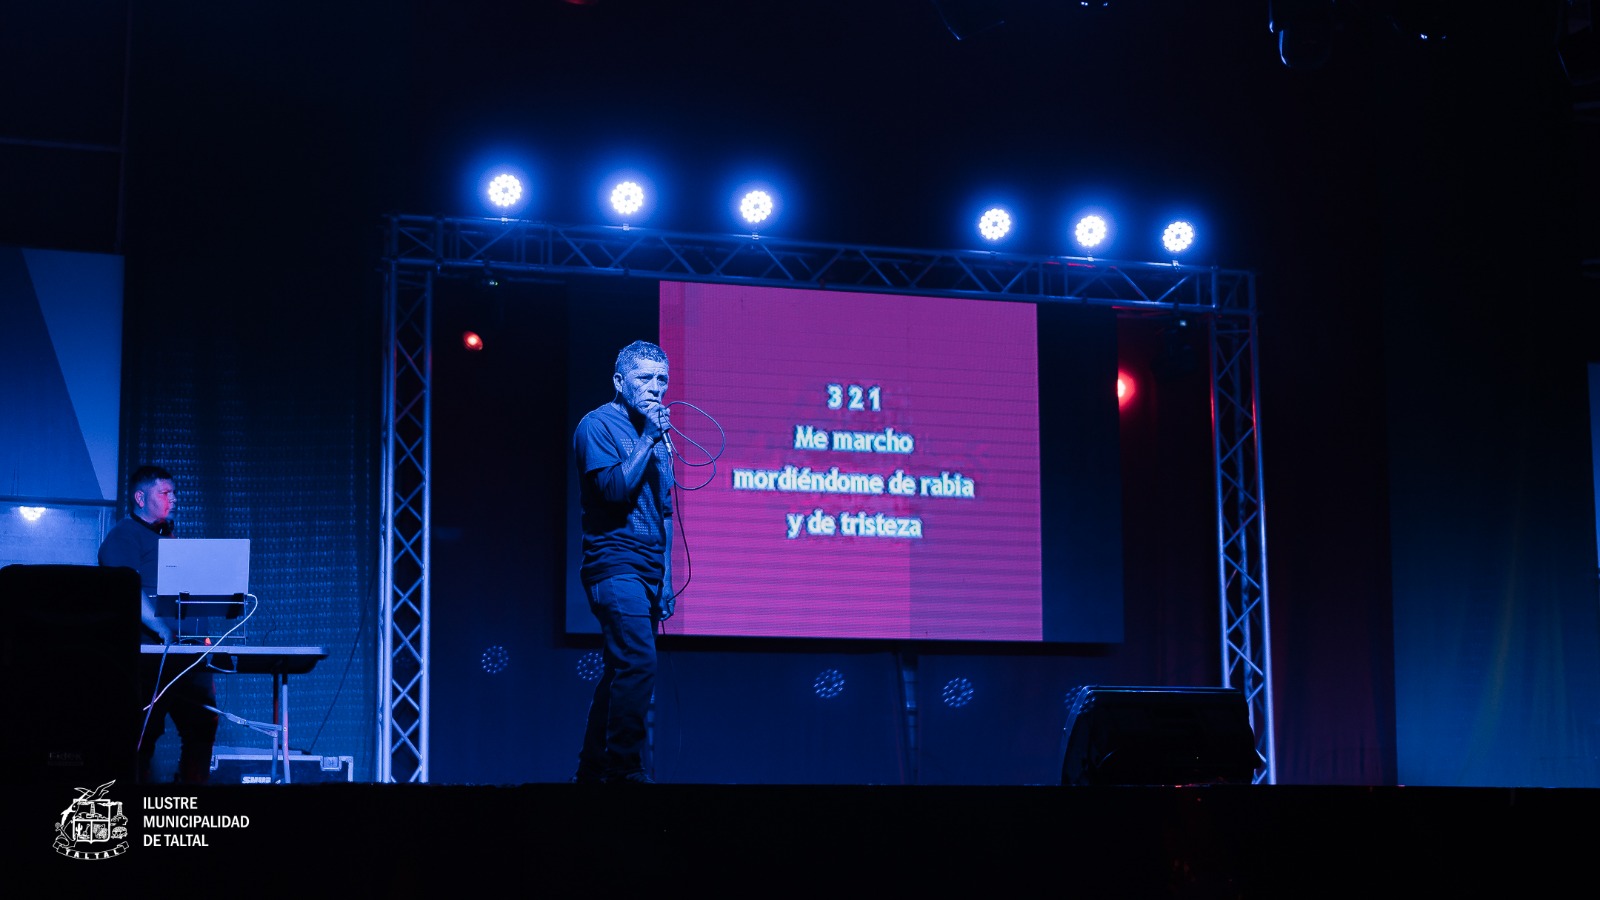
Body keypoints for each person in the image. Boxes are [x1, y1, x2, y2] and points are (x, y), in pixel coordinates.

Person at [571, 340, 676, 784]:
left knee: (621, 667)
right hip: (614, 562)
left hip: (650, 568)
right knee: (638, 661)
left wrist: (666, 576)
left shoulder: (659, 436)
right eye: (644, 378)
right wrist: (648, 438)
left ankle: (592, 769)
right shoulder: (596, 425)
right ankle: (624, 770)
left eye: (662, 379)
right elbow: (614, 491)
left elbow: (665, 510)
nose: (655, 387)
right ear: (619, 381)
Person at [97, 464, 218, 784]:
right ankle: (136, 799)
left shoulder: (169, 538)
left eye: (174, 493)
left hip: (188, 654)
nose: (173, 499)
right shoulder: (124, 535)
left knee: (202, 726)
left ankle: (190, 798)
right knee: (145, 730)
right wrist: (161, 627)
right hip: (151, 655)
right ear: (140, 498)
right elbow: (126, 587)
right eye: (165, 493)